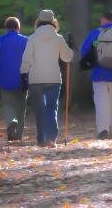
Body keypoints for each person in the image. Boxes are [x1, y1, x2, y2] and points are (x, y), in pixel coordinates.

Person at [20, 10, 74, 147]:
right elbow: (67, 58)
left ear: (38, 21)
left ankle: (41, 139)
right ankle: (51, 139)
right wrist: (71, 47)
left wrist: (23, 73)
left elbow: (26, 58)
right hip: (54, 79)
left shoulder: (32, 38)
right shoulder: (58, 38)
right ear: (53, 21)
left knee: (40, 109)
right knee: (51, 108)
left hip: (35, 79)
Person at [80, 11, 112, 140]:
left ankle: (103, 129)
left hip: (98, 73)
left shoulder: (96, 33)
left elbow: (84, 51)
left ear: (104, 20)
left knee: (101, 101)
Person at [0, 17, 28, 141]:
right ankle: (19, 135)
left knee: (8, 105)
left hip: (4, 79)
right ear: (18, 27)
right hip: (22, 80)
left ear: (6, 27)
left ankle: (12, 121)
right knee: (21, 108)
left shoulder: (0, 41)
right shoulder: (25, 40)